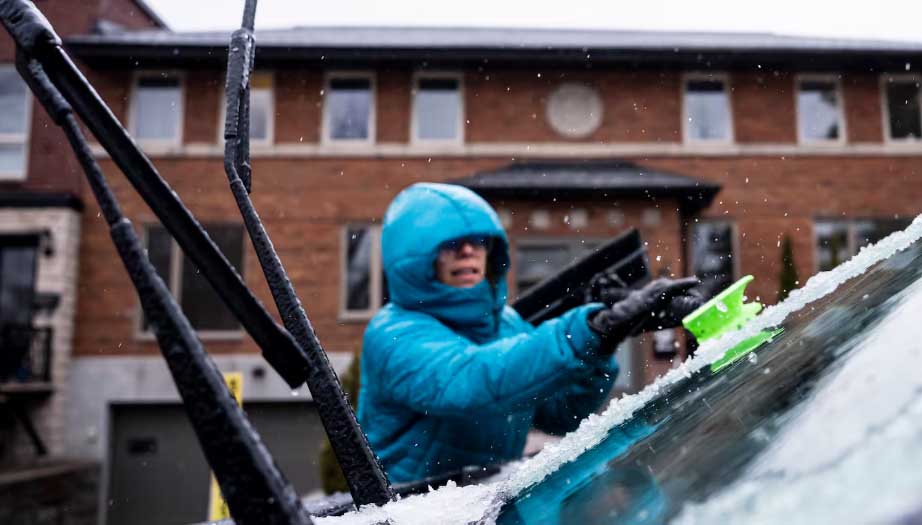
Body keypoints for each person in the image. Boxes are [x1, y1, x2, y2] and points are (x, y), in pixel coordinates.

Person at [357, 183, 701, 483]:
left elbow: (560, 414)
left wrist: (604, 345)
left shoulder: (506, 324)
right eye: (451, 244)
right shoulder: (394, 332)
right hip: (412, 512)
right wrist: (594, 328)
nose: (468, 251)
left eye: (478, 240)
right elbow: (472, 382)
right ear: (411, 258)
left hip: (485, 506)